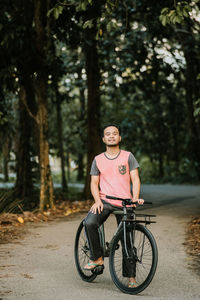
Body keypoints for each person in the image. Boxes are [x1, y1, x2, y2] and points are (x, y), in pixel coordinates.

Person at [83, 124, 144, 287]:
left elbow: (135, 179)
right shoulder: (98, 159)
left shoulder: (128, 156)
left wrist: (135, 198)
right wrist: (97, 201)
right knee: (89, 223)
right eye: (108, 134)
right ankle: (97, 258)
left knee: (127, 240)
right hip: (105, 201)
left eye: (114, 134)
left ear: (119, 138)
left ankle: (131, 277)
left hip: (125, 202)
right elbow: (94, 183)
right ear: (103, 139)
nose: (111, 136)